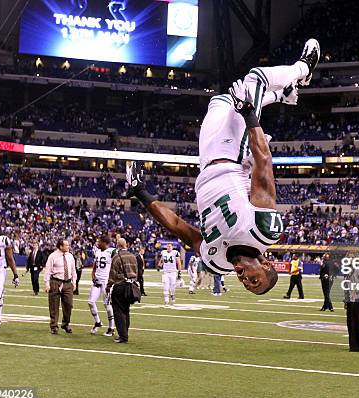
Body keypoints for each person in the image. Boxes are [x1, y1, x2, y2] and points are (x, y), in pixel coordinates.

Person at [125, 39, 320, 295]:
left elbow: (180, 228)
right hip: (230, 155)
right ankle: (303, 69)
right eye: (254, 280)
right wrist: (249, 114)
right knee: (256, 78)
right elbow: (263, 163)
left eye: (247, 286)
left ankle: (279, 95)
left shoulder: (216, 261)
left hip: (205, 161)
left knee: (220, 102)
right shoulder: (264, 231)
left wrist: (140, 192)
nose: (245, 280)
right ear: (265, 263)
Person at [106, 238, 138, 344]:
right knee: (126, 311)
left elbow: (112, 275)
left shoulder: (116, 257)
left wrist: (108, 287)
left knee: (118, 312)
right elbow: (137, 273)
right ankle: (125, 333)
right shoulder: (133, 257)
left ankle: (123, 336)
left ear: (117, 245)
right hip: (130, 286)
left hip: (120, 286)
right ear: (126, 245)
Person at [44, 239, 76, 335]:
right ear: (60, 246)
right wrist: (47, 284)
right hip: (55, 281)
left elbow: (73, 270)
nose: (68, 247)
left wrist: (74, 282)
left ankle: (65, 324)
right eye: (66, 245)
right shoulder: (53, 256)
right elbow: (48, 270)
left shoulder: (70, 256)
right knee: (54, 305)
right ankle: (54, 326)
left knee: (69, 305)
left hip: (67, 283)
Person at [88, 235, 116, 336]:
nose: (98, 243)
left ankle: (111, 327)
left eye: (99, 241)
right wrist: (93, 277)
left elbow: (118, 262)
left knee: (107, 305)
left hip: (106, 282)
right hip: (97, 281)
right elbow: (95, 266)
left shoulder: (112, 251)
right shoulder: (98, 251)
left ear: (105, 243)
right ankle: (98, 322)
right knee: (91, 302)